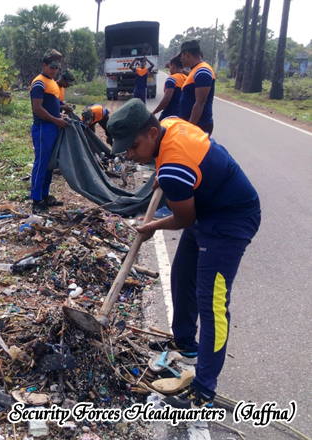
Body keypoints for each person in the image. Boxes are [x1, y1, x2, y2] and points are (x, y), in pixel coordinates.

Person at [107, 99, 260, 409]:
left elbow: (184, 218)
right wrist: (161, 172)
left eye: (134, 146)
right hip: (208, 206)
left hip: (230, 220)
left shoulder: (174, 169)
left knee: (212, 302)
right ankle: (186, 341)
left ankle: (204, 389)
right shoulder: (170, 124)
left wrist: (152, 226)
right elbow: (178, 166)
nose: (130, 155)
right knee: (181, 275)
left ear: (152, 133)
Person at [29, 49, 69, 214]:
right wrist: (55, 119)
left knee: (49, 164)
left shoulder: (52, 82)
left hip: (52, 127)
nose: (54, 71)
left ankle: (45, 196)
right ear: (44, 65)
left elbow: (51, 105)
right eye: (52, 67)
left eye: (57, 68)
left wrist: (60, 114)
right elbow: (37, 109)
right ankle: (36, 200)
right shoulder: (39, 82)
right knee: (41, 163)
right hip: (43, 128)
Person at [178, 40, 216, 134]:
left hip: (199, 125)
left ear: (186, 54)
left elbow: (200, 102)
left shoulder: (202, 70)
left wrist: (189, 128)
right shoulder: (195, 70)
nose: (181, 59)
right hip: (189, 123)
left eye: (181, 56)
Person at [153, 56, 187, 120]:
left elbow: (166, 100)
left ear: (173, 66)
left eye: (170, 66)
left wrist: (154, 113)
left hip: (170, 114)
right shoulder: (187, 79)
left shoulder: (172, 79)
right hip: (184, 115)